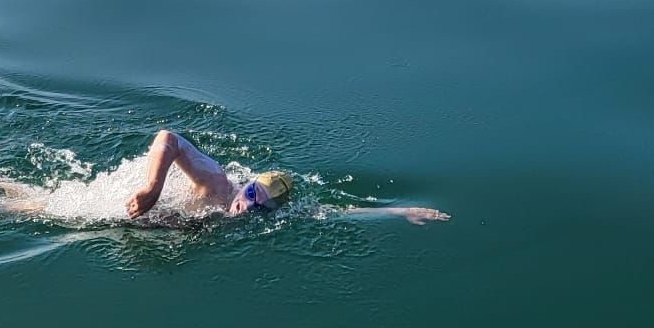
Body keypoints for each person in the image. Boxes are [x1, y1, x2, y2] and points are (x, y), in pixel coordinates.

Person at [125, 129, 447, 224]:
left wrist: (401, 211)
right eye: (250, 196)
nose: (247, 208)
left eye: (259, 207)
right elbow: (168, 138)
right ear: (246, 186)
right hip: (132, 209)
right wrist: (153, 188)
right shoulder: (217, 183)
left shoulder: (262, 214)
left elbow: (337, 212)